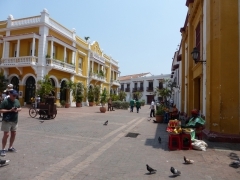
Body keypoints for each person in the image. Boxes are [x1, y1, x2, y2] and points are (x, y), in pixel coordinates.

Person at [0, 90, 21, 157]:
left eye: (16, 95)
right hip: (7, 120)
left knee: (14, 134)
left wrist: (17, 109)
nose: (15, 97)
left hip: (14, 120)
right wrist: (10, 110)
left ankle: (10, 147)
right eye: (13, 95)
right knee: (6, 135)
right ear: (10, 94)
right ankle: (3, 149)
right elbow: (0, 110)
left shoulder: (17, 101)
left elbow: (20, 108)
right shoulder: (5, 101)